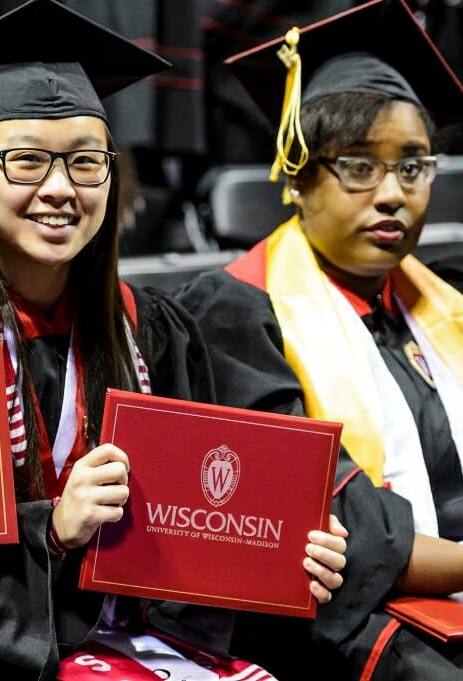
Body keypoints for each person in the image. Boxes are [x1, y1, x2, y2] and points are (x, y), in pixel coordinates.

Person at [0, 2, 349, 679]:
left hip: (145, 647)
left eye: (86, 162)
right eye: (26, 160)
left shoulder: (153, 330)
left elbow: (200, 534)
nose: (59, 188)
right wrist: (50, 529)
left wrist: (288, 551)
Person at [175, 0, 463, 676]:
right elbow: (339, 529)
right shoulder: (236, 314)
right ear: (297, 176)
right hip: (340, 622)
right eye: (359, 166)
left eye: (413, 166)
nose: (392, 194)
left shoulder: (444, 301)